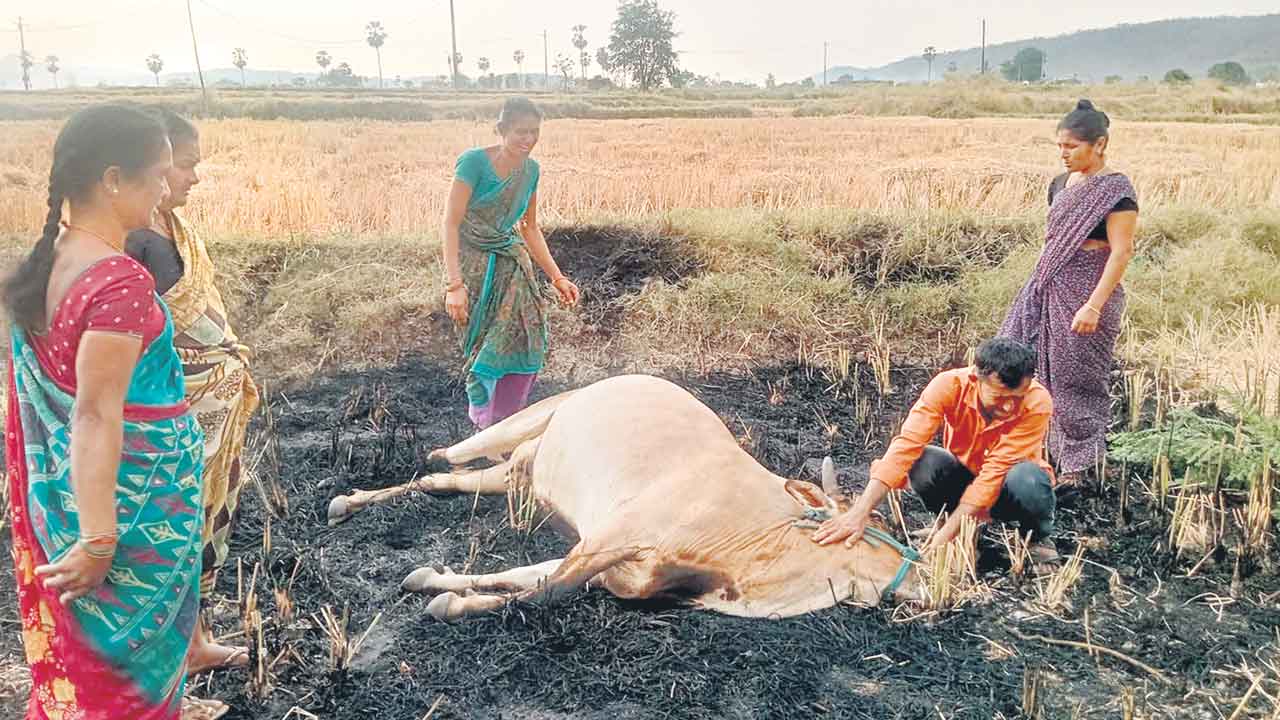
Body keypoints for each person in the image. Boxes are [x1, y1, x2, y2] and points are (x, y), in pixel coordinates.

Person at [4, 104, 203, 719]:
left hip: (66, 498)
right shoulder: (118, 282)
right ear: (114, 180)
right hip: (126, 515)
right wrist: (98, 541)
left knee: (86, 677)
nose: (167, 189)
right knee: (125, 690)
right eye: (158, 175)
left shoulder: (55, 258)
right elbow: (93, 413)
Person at [126, 109, 259, 673]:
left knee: (204, 524)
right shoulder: (129, 241)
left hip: (214, 405)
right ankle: (164, 659)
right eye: (184, 166)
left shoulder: (175, 231)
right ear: (146, 170)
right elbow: (136, 341)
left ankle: (196, 640)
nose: (192, 178)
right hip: (171, 411)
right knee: (170, 528)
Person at [813, 337, 1059, 561]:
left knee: (1028, 478)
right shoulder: (948, 385)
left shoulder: (1037, 401)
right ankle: (949, 522)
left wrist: (940, 542)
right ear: (975, 379)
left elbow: (995, 473)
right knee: (923, 459)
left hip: (1008, 490)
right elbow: (906, 446)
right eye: (1000, 397)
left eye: (1017, 398)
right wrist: (859, 513)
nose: (1009, 407)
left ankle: (1036, 539)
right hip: (964, 478)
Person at [1001, 99, 1138, 492]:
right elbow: (1053, 242)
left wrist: (1093, 305)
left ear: (1100, 144)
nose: (1064, 154)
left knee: (1076, 377)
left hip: (1088, 289)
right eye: (1060, 146)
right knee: (1019, 358)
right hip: (1047, 284)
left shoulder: (1116, 191)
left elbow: (1121, 251)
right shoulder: (1059, 185)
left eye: (1072, 147)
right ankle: (1035, 448)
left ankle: (1079, 465)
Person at [441, 97, 580, 429]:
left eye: (534, 132)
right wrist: (454, 286)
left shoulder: (531, 170)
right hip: (474, 268)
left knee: (527, 337)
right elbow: (451, 223)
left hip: (514, 267)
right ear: (501, 130)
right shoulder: (474, 163)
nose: (528, 140)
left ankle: (506, 422)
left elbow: (529, 227)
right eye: (520, 132)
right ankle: (481, 425)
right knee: (484, 349)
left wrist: (557, 277)